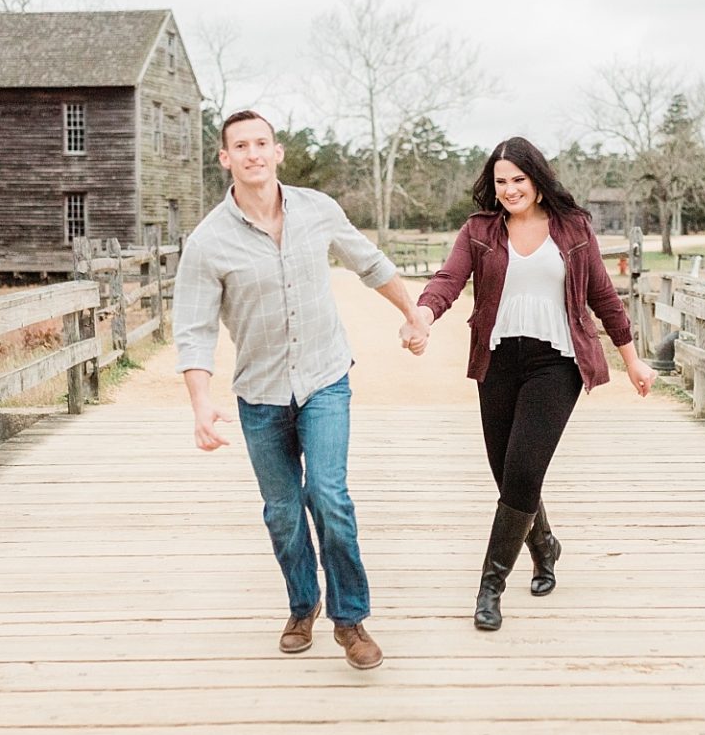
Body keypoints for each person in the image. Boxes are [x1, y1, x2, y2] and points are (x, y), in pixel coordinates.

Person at [172, 109, 430, 670]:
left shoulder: (318, 209)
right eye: (240, 145)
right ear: (225, 158)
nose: (253, 154)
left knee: (328, 495)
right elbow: (192, 329)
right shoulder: (208, 241)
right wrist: (200, 403)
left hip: (325, 378)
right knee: (283, 511)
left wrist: (414, 313)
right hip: (260, 393)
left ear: (277, 151)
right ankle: (301, 604)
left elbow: (370, 263)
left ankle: (351, 620)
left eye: (261, 143)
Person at [412, 137, 657, 630]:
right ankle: (544, 544)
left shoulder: (574, 228)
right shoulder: (479, 230)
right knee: (507, 474)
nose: (509, 190)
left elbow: (604, 297)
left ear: (538, 181)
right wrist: (422, 314)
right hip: (498, 360)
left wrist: (633, 360)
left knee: (525, 470)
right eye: (501, 182)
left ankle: (490, 587)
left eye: (518, 180)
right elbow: (448, 279)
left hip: (557, 363)